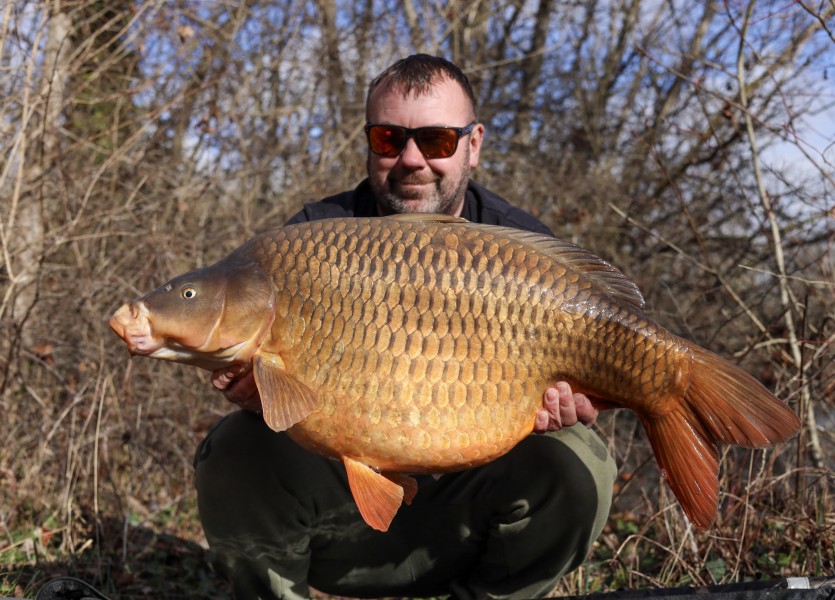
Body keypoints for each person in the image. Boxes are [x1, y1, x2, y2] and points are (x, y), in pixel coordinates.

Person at [195, 54, 617, 600]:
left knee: (580, 460)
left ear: (474, 144)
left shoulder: (521, 248)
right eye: (389, 138)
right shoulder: (311, 239)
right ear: (369, 141)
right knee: (235, 446)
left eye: (437, 140)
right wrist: (262, 398)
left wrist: (569, 406)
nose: (412, 159)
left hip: (468, 520)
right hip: (343, 523)